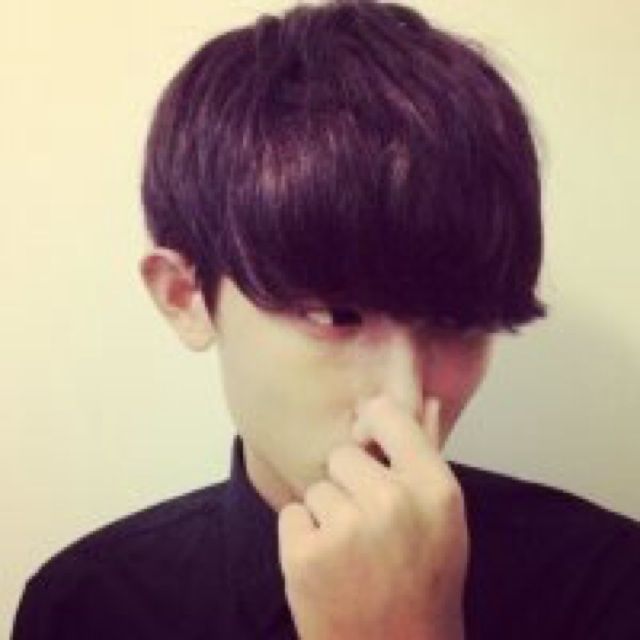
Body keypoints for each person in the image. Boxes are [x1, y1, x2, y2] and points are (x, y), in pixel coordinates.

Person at [12, 0, 640, 638]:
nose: (402, 400)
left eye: (456, 321)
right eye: (336, 316)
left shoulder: (610, 586)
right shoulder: (87, 608)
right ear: (185, 296)